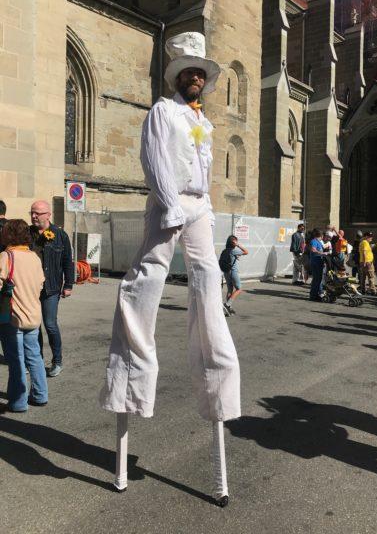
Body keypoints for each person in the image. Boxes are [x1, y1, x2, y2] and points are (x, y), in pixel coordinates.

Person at [99, 32, 240, 505]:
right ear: (178, 76)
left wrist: (207, 214)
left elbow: (206, 174)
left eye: (200, 71)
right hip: (170, 202)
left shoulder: (204, 122)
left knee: (209, 287)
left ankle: (219, 378)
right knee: (146, 284)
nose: (195, 77)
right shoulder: (163, 110)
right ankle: (132, 382)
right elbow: (155, 158)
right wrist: (169, 206)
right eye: (188, 71)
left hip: (199, 207)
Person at [0, 219, 47, 412]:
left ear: (8, 235)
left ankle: (18, 402)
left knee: (16, 360)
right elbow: (41, 284)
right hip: (33, 315)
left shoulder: (6, 256)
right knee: (34, 356)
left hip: (12, 317)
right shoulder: (34, 257)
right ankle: (40, 395)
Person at [30, 200, 74, 377]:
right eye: (32, 213)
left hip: (52, 287)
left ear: (48, 215)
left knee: (50, 324)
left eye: (37, 213)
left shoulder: (60, 235)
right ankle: (37, 361)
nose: (34, 216)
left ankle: (57, 361)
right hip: (31, 288)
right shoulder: (27, 234)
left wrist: (68, 285)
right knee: (34, 326)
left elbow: (68, 262)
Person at [220, 235, 248, 315]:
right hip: (233, 272)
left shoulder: (225, 251)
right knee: (239, 289)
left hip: (226, 272)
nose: (236, 243)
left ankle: (228, 308)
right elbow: (246, 252)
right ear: (233, 243)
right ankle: (227, 305)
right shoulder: (233, 251)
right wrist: (238, 245)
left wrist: (235, 257)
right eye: (236, 241)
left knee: (230, 289)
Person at [309, 229, 325, 301]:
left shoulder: (318, 242)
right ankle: (313, 296)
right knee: (316, 279)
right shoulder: (314, 241)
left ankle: (316, 294)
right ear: (321, 235)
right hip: (315, 262)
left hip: (319, 262)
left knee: (318, 279)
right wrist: (322, 253)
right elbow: (313, 249)